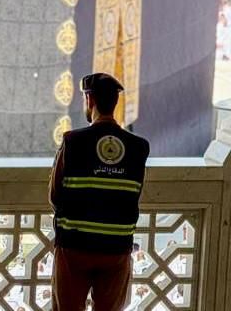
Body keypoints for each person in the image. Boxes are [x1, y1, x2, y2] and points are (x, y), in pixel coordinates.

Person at [49, 73, 150, 311]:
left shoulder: (73, 141)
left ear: (89, 100)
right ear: (115, 103)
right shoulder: (138, 147)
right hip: (117, 248)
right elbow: (135, 193)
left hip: (74, 247)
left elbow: (55, 196)